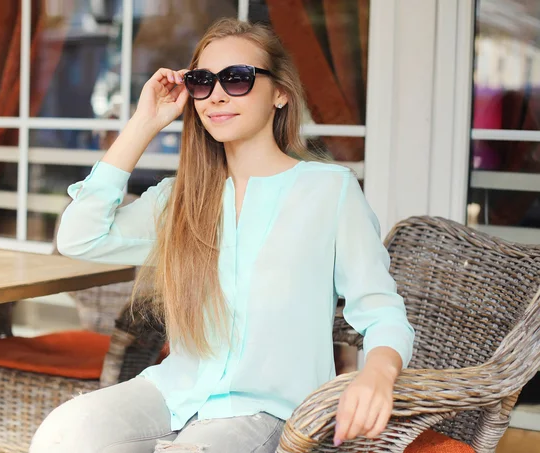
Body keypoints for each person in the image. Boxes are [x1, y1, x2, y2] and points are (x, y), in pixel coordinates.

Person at [30, 17, 414, 453]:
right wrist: (144, 122)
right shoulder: (181, 197)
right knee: (63, 433)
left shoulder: (329, 191)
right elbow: (79, 237)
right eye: (201, 81)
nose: (215, 95)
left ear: (281, 93)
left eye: (237, 79)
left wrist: (378, 373)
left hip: (267, 411)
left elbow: (382, 313)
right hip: (172, 393)